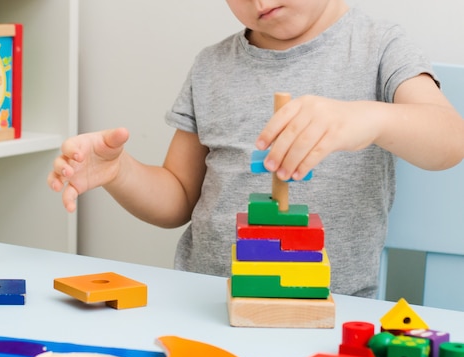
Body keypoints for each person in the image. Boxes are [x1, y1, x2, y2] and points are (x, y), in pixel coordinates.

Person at [48, 0, 464, 298]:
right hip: (205, 300)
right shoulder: (211, 66)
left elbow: (449, 139)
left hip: (332, 310)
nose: (259, 2)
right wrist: (120, 173)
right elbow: (178, 198)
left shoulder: (378, 46)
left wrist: (371, 118)